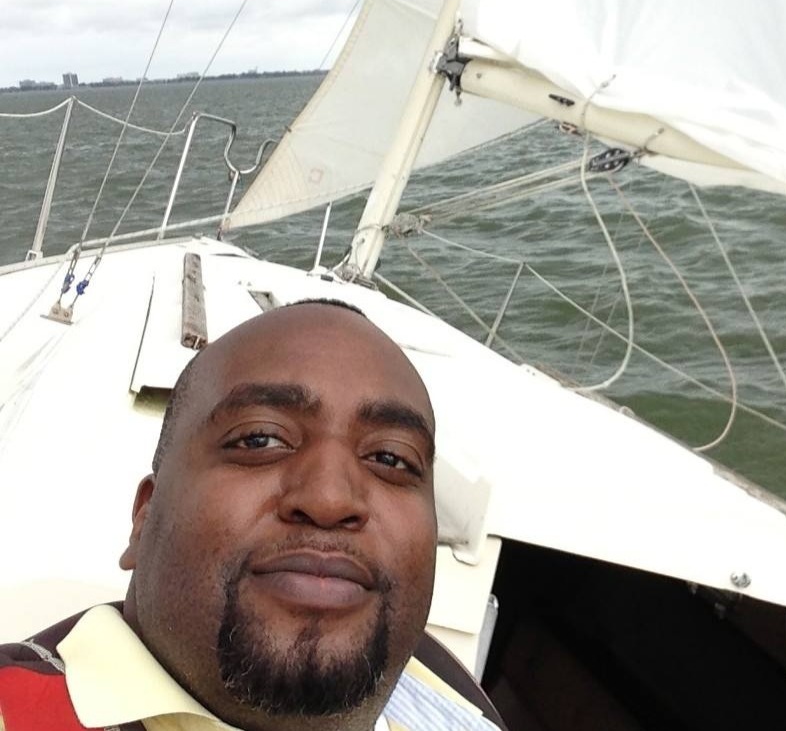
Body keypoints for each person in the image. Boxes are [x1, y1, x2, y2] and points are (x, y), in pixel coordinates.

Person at [0, 300, 505, 731]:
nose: (330, 500)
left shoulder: (440, 679)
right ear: (144, 517)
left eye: (391, 458)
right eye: (259, 439)